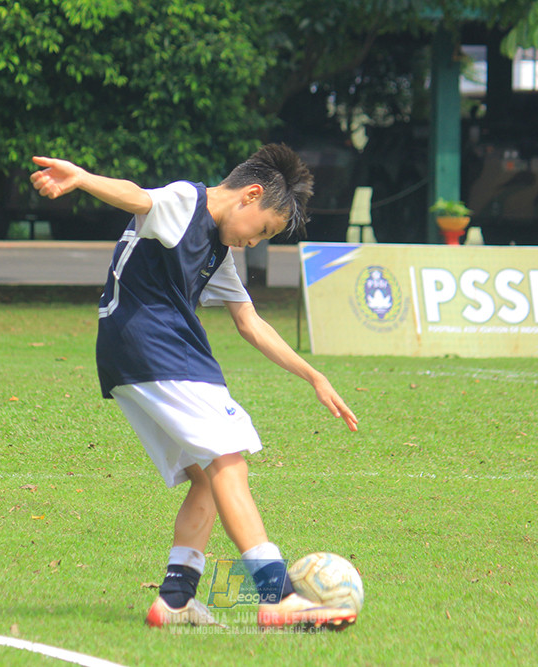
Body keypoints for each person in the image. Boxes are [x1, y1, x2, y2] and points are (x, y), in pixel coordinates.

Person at [30, 145, 360, 630]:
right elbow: (138, 198)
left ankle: (176, 598)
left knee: (207, 477)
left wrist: (314, 375)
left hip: (130, 353)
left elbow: (250, 322)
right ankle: (278, 596)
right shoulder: (187, 202)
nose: (255, 243)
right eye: (264, 230)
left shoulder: (217, 251)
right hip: (156, 344)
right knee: (229, 461)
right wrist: (81, 178)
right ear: (250, 195)